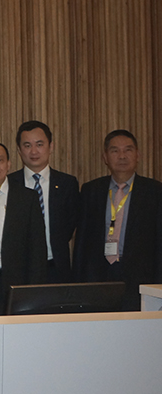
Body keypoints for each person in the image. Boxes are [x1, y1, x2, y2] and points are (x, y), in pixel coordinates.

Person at [74, 130, 162, 311]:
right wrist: (78, 281)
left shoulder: (154, 191)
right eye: (115, 151)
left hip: (140, 278)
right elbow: (81, 240)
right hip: (98, 276)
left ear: (138, 155)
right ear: (105, 157)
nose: (122, 156)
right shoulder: (91, 190)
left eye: (128, 150)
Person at [0, 141, 47, 316]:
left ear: (8, 164)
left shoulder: (27, 198)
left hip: (14, 284)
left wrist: (33, 291)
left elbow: (37, 248)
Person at [8, 121, 80, 283]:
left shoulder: (67, 184)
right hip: (19, 269)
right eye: (27, 145)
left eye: (39, 144)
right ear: (19, 150)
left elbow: (70, 224)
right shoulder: (9, 184)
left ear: (51, 146)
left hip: (56, 267)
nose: (33, 151)